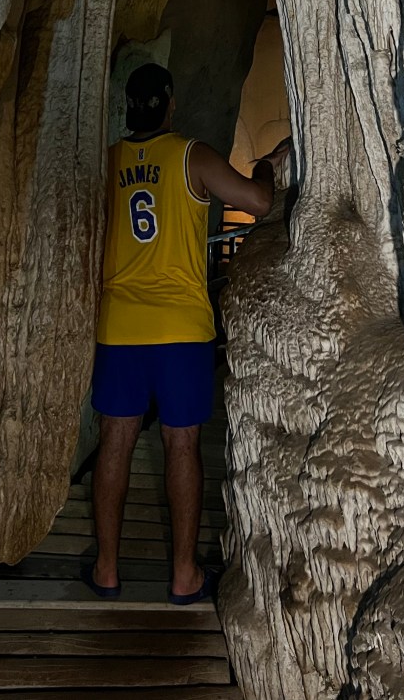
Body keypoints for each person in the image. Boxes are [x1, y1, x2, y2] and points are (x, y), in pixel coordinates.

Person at [81, 62, 289, 605]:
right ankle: (183, 574)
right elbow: (258, 203)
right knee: (182, 444)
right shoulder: (190, 155)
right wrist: (267, 169)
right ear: (169, 103)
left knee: (115, 442)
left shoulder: (109, 163)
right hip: (180, 328)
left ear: (128, 105)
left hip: (119, 324)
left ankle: (106, 568)